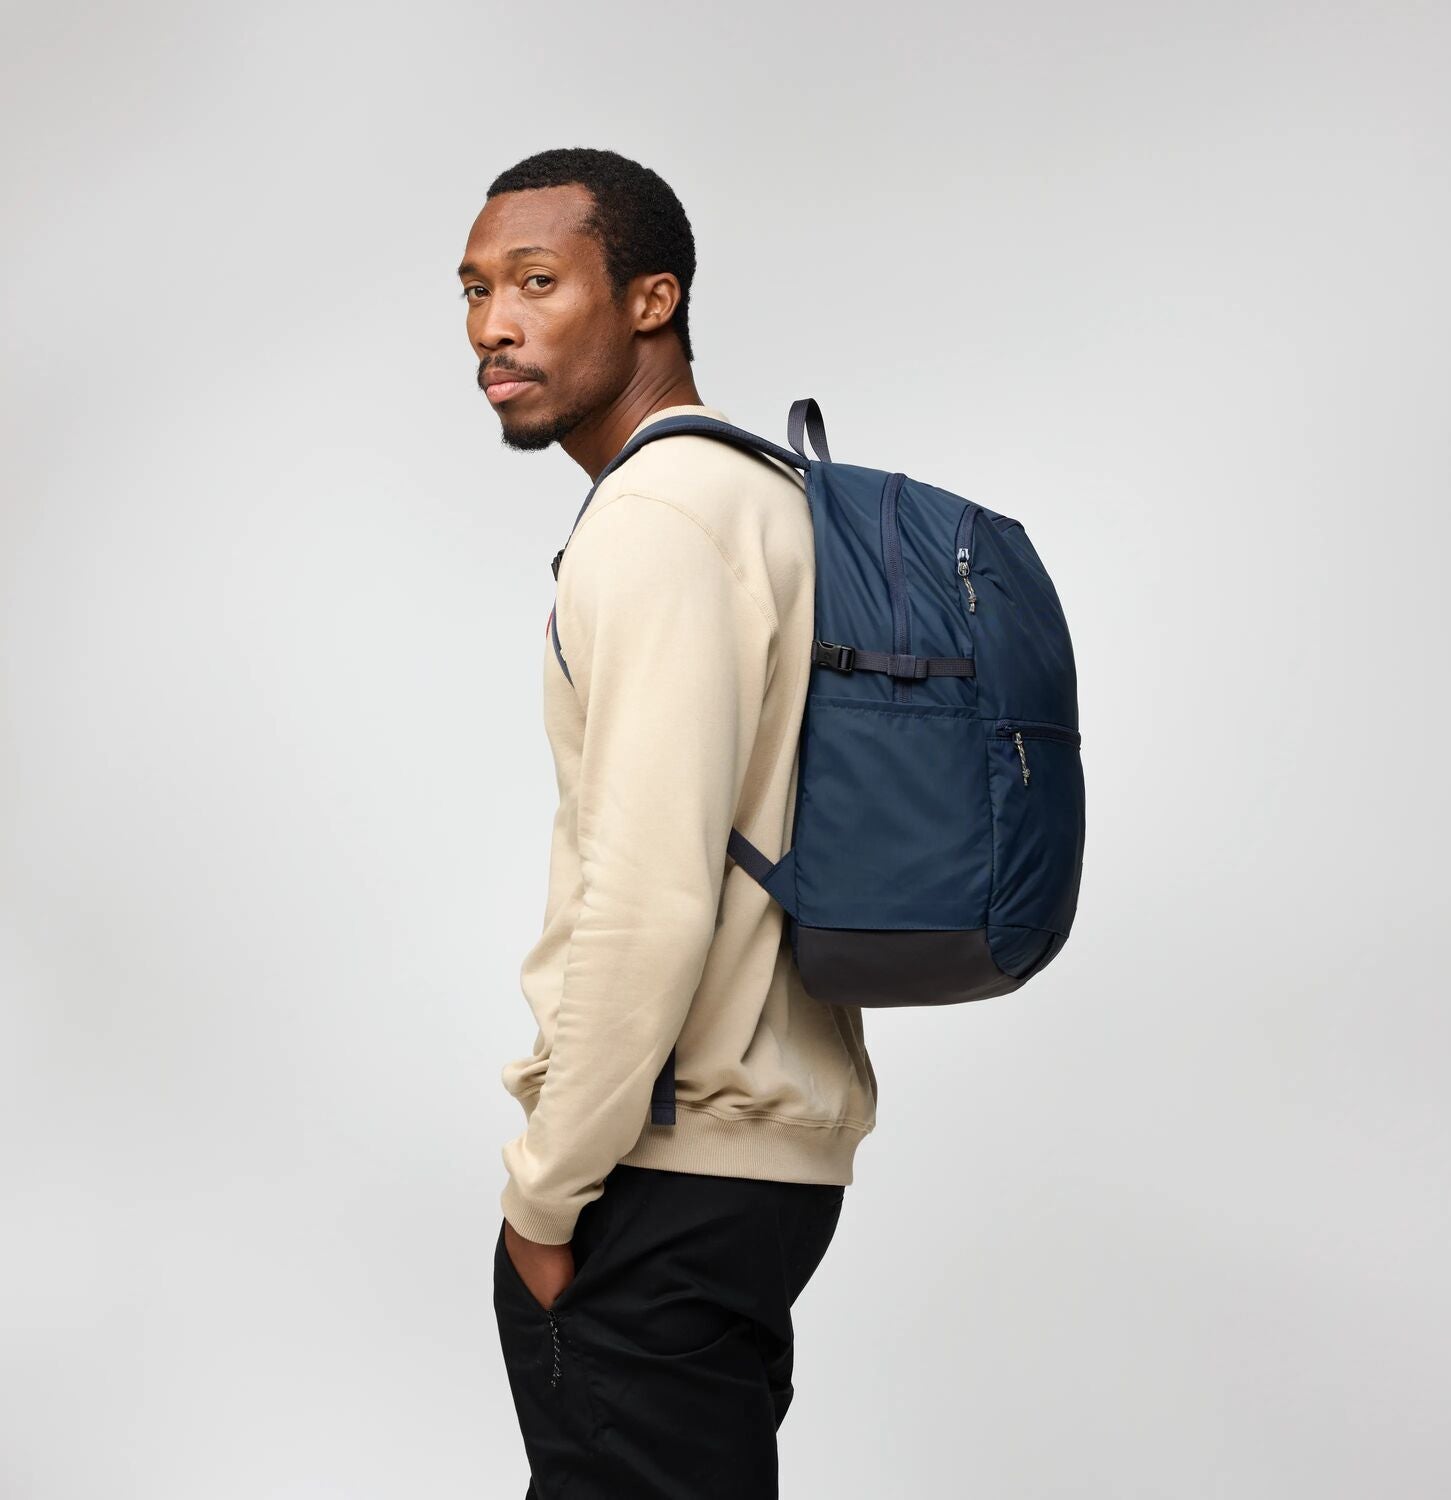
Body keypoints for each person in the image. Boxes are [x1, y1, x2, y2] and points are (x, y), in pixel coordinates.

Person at [457, 146, 878, 1497]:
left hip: (663, 1162)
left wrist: (542, 1194)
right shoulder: (770, 498)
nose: (492, 326)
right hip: (768, 1161)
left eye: (537, 282)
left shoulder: (653, 520)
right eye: (473, 292)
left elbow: (649, 898)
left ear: (651, 300)